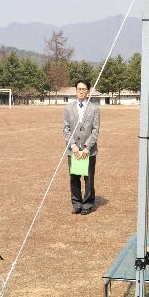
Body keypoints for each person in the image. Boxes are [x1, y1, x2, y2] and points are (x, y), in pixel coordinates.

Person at [63, 80, 100, 215]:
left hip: (88, 151)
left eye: (83, 89)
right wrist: (72, 146)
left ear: (88, 91)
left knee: (89, 178)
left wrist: (87, 148)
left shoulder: (94, 108)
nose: (81, 91)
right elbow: (66, 129)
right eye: (79, 89)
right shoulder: (68, 108)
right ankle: (76, 203)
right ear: (75, 90)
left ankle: (88, 204)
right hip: (73, 150)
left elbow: (95, 130)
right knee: (74, 177)